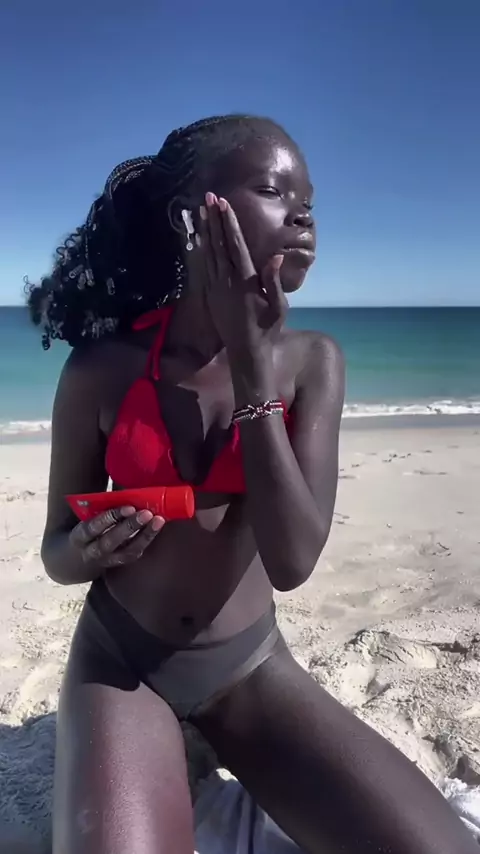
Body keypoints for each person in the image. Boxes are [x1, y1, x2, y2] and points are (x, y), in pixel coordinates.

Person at [27, 114, 476, 854]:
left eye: (309, 202)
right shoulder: (101, 369)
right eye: (273, 190)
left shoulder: (312, 362)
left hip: (249, 667)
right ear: (191, 217)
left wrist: (249, 362)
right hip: (122, 664)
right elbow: (55, 552)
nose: (304, 216)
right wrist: (88, 549)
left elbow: (293, 560)